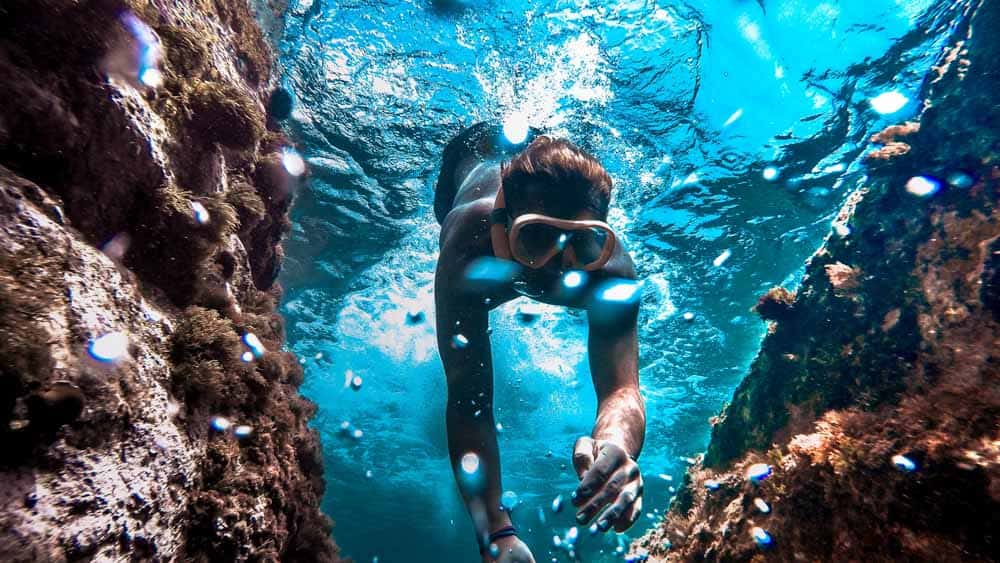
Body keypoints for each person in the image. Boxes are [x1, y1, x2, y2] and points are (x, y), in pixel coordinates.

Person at [433, 122, 646, 562]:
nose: (557, 269)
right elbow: (468, 399)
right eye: (535, 238)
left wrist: (617, 445)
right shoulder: (466, 244)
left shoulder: (611, 272)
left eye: (582, 245)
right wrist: (496, 531)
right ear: (500, 221)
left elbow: (622, 389)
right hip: (468, 153)